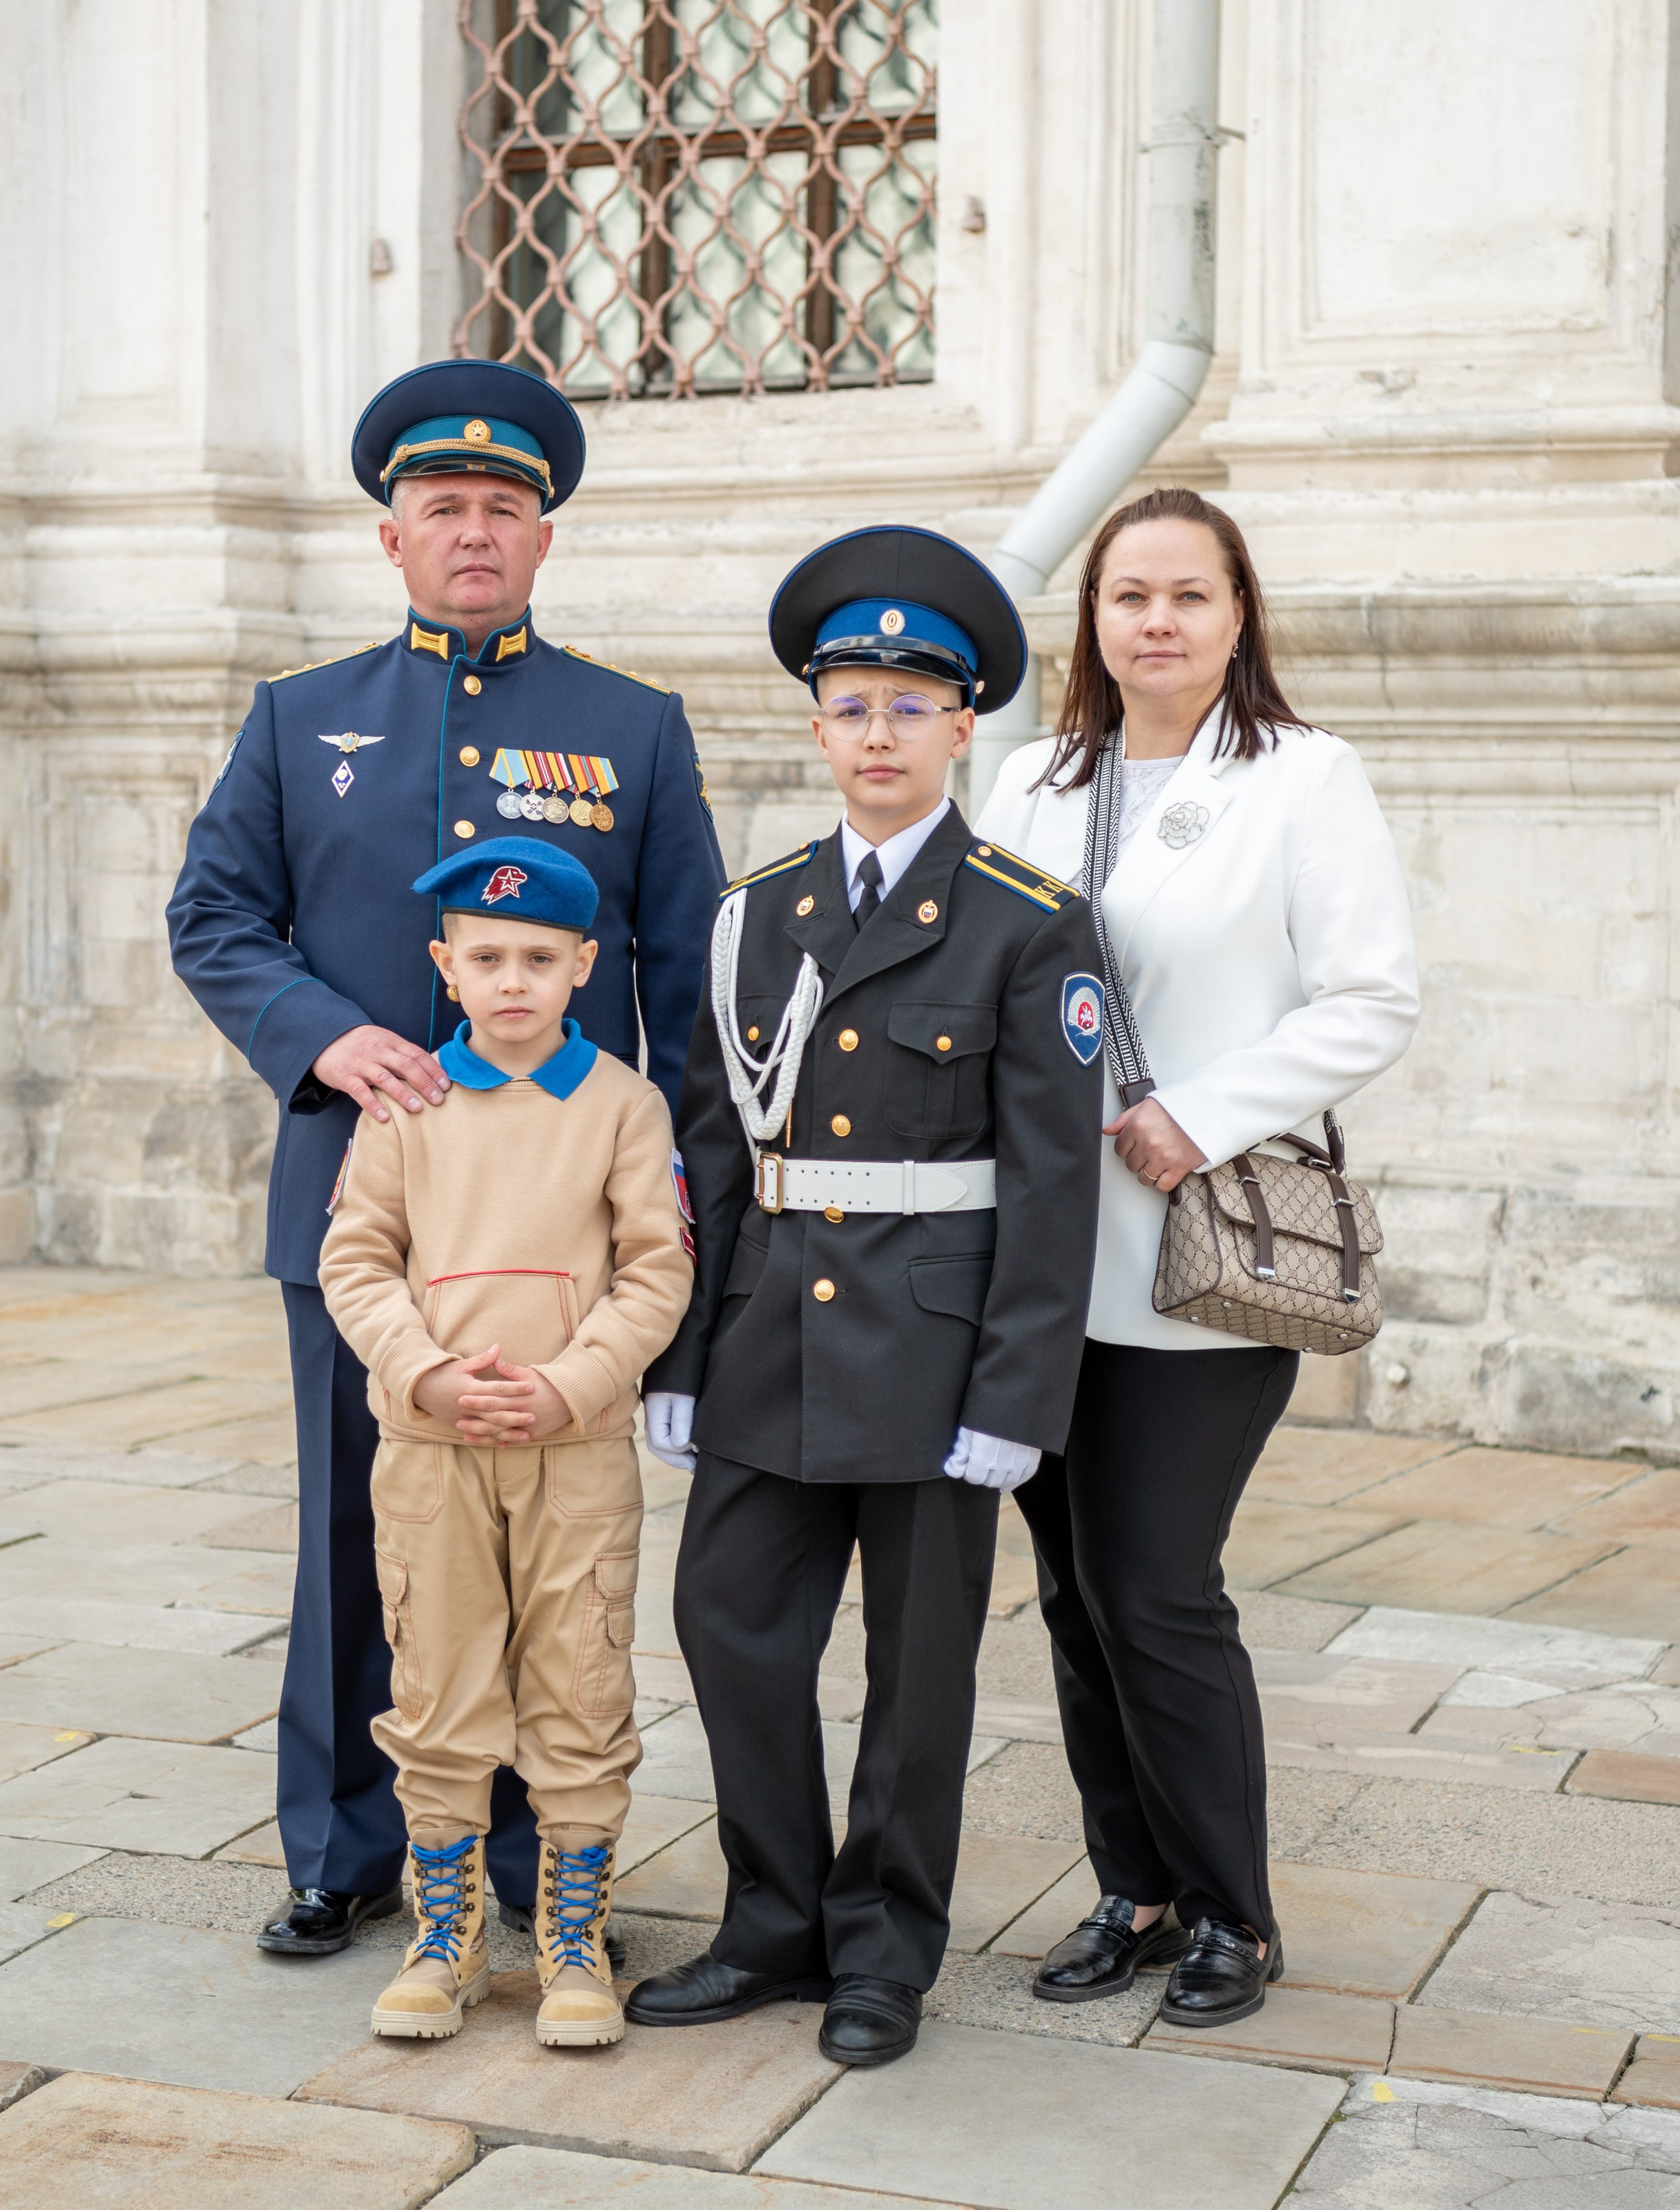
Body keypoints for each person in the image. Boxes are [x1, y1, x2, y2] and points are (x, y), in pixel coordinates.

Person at [167, 361, 724, 1960]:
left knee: (547, 1555)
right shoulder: (300, 719)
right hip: (362, 1210)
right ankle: (345, 1846)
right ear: (392, 537)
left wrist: (676, 1212)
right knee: (361, 1537)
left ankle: (538, 1857)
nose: (472, 531)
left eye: (500, 508)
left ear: (541, 538)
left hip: (559, 1240)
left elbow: (685, 982)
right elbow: (214, 915)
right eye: (442, 507)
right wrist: (322, 1036)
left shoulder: (630, 728)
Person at [625, 525, 1107, 2070]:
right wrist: (679, 1358)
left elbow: (1054, 1186)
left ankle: (884, 1948)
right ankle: (771, 1921)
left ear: (963, 726)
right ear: (818, 727)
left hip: (933, 1355)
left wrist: (1017, 1397)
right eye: (851, 706)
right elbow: (713, 1149)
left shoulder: (1027, 917)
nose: (878, 733)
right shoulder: (756, 913)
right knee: (727, 1625)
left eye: (910, 706)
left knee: (919, 1672)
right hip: (768, 1335)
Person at [974, 484, 1420, 2028]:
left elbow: (1370, 998)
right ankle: (1135, 1888)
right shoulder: (1032, 779)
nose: (1155, 620)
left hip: (1197, 1249)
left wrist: (1201, 1115)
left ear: (1238, 617)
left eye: (1188, 594)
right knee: (1070, 1595)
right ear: (1090, 619)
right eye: (1129, 595)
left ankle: (1233, 1909)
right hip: (1038, 1258)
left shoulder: (1301, 777)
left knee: (1155, 1585)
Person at [317, 836, 691, 2046]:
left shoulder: (624, 1105)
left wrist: (572, 1385)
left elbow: (657, 1270)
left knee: (581, 1680)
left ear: (586, 963)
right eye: (487, 958)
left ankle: (573, 1941)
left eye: (539, 956)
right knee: (436, 1683)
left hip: (573, 1453)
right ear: (447, 966)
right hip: (431, 1452)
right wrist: (426, 1374)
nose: (513, 980)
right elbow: (356, 1261)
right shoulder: (408, 1104)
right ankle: (449, 1938)